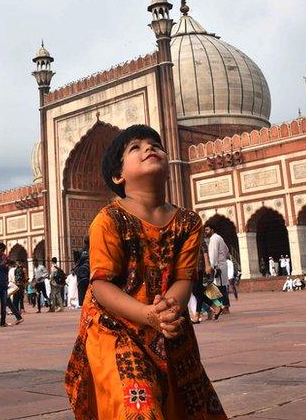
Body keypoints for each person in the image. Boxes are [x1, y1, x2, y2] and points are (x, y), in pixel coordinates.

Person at [64, 124, 225, 419]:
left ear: (168, 163)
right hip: (115, 325)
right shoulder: (109, 219)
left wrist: (167, 309)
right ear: (118, 176)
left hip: (167, 322)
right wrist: (148, 314)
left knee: (186, 405)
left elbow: (182, 277)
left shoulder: (188, 222)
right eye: (135, 147)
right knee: (138, 404)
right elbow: (101, 285)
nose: (148, 148)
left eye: (155, 144)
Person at [0, 243, 22, 326]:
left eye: (3, 251)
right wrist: (1, 265)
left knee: (3, 304)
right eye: (1, 250)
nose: (2, 252)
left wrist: (6, 265)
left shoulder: (4, 259)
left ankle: (3, 322)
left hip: (4, 283)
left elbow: (5, 271)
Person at [205, 221, 231, 310]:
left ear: (212, 230)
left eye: (207, 230)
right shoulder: (219, 237)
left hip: (218, 267)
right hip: (222, 265)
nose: (206, 232)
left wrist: (211, 267)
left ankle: (225, 307)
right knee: (221, 286)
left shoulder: (214, 239)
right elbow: (227, 250)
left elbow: (213, 254)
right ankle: (225, 307)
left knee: (219, 288)